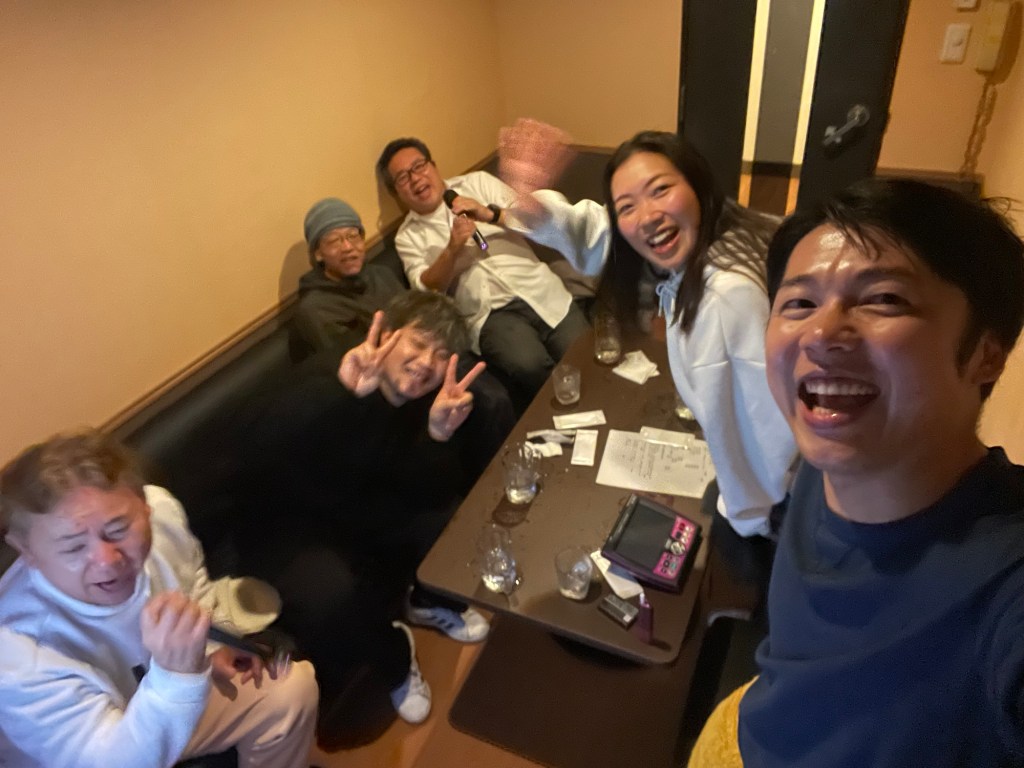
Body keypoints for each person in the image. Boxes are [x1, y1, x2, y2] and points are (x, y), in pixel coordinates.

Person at [688, 178, 1024, 767]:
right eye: (798, 303)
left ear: (985, 355)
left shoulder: (1004, 586)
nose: (820, 334)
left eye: (883, 299)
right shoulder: (821, 469)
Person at [499, 119, 797, 540]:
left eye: (660, 190)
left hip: (783, 504)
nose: (648, 216)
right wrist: (532, 205)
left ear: (696, 183)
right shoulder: (733, 229)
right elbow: (604, 231)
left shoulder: (724, 297)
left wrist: (748, 518)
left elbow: (766, 433)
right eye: (627, 206)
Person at [238, 291, 506, 739]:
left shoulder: (425, 400)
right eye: (417, 343)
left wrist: (437, 437)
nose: (426, 363)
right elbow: (261, 447)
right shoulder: (330, 376)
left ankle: (428, 602)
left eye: (441, 355)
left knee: (450, 516)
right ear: (386, 335)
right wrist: (340, 395)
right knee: (330, 593)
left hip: (357, 508)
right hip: (290, 523)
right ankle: (397, 655)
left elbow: (423, 487)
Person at [0, 429, 319, 768]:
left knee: (289, 690)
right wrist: (178, 675)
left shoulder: (164, 516)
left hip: (164, 696)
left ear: (145, 507)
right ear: (26, 551)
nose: (108, 560)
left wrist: (209, 650)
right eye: (74, 547)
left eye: (118, 530)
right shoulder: (16, 652)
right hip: (93, 754)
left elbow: (194, 589)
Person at [376, 136, 590, 404]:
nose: (415, 178)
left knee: (583, 349)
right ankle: (565, 415)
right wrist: (452, 250)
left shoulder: (477, 183)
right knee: (529, 364)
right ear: (396, 192)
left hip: (539, 287)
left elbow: (535, 220)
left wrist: (489, 213)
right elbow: (426, 290)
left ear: (433, 166)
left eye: (419, 166)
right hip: (490, 314)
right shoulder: (407, 236)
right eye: (402, 177)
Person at [292, 197, 406, 358]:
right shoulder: (315, 309)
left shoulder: (382, 274)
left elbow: (414, 317)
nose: (347, 247)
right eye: (334, 241)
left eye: (353, 236)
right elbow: (352, 362)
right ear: (318, 254)